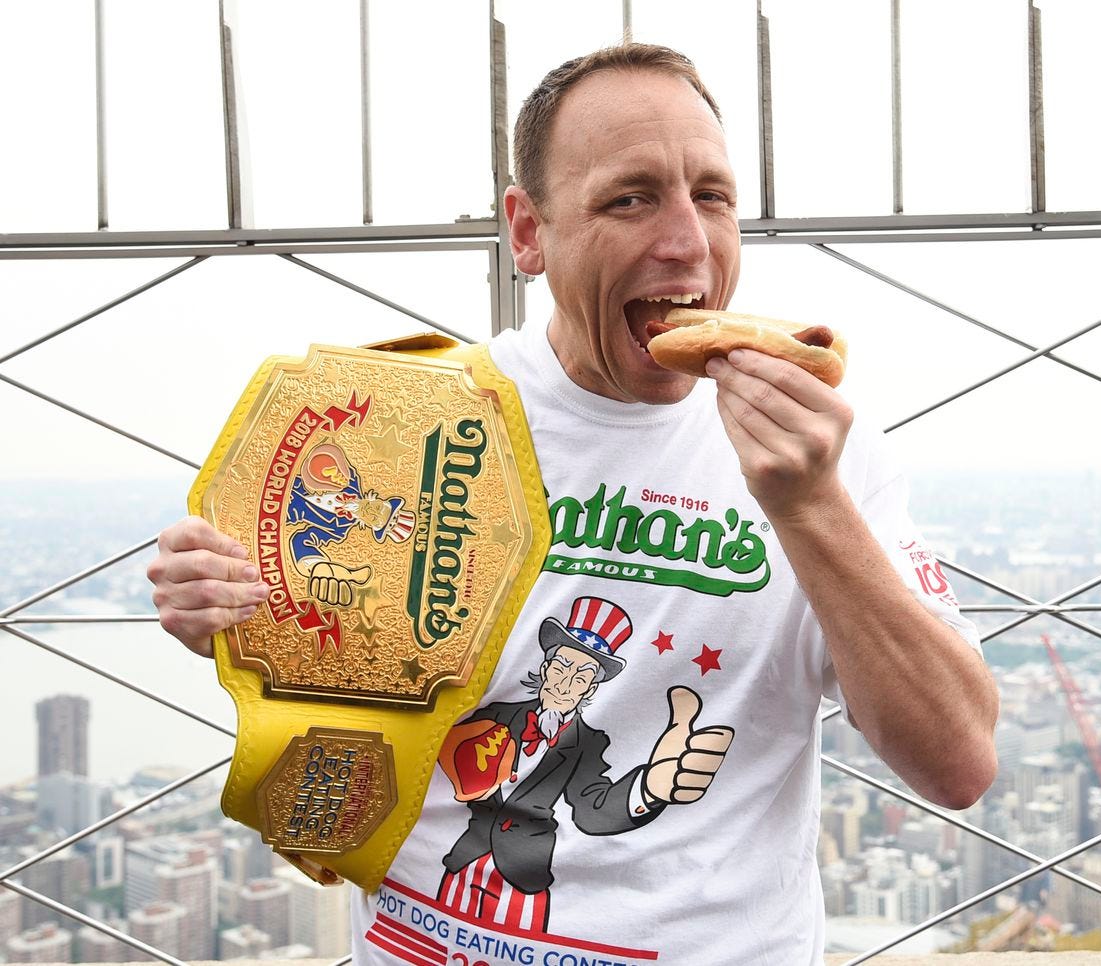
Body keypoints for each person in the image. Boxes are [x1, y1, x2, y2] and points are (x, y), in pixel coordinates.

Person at [149, 43, 998, 966]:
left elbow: (956, 761)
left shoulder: (824, 449)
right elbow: (324, 692)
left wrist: (813, 511)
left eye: (712, 196)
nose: (687, 241)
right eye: (630, 198)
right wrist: (232, 610)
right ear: (528, 232)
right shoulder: (411, 425)